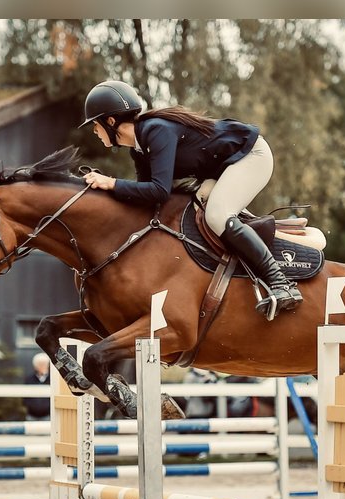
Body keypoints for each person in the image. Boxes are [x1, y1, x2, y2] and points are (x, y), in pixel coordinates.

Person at [79, 79, 303, 319]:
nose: (94, 131)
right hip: (225, 168)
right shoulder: (139, 148)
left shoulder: (156, 131)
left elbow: (159, 190)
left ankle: (282, 284)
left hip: (251, 156)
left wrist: (111, 183)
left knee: (216, 215)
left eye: (95, 125)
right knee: (195, 211)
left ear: (110, 121)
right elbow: (147, 197)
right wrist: (107, 192)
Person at [23, 352, 51, 421]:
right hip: (31, 415)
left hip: (48, 415)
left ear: (48, 365)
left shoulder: (53, 379)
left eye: (44, 364)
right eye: (39, 364)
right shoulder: (29, 379)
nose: (42, 366)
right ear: (35, 366)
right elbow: (25, 396)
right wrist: (30, 406)